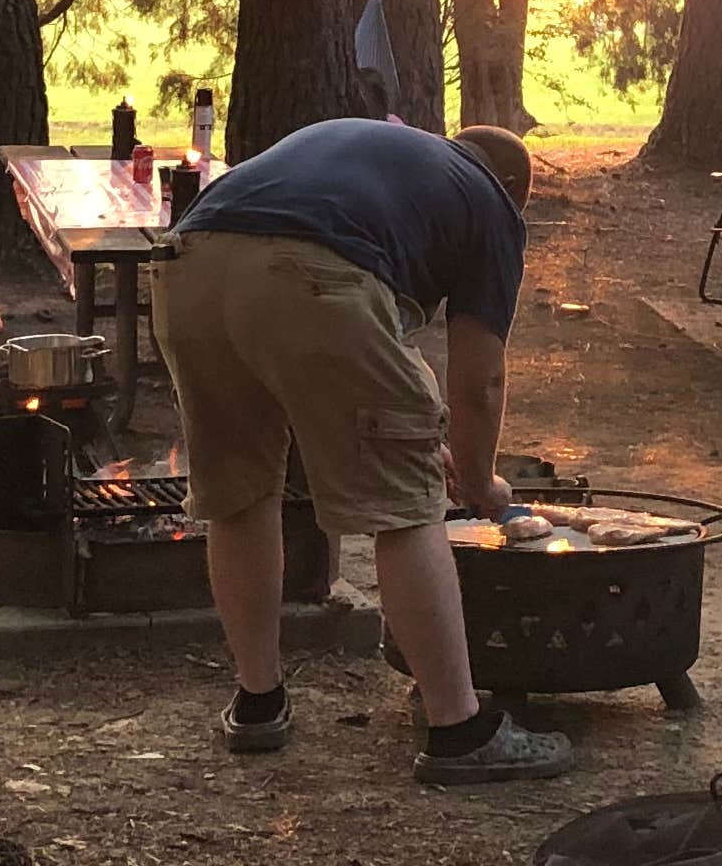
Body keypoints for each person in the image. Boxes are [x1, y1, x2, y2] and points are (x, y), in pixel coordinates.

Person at [150, 114, 568, 784]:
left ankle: (258, 702)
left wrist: (415, 428)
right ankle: (459, 730)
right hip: (308, 273)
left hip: (188, 263)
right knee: (407, 509)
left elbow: (380, 340)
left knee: (239, 491)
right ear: (515, 191)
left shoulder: (392, 158)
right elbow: (480, 379)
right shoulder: (492, 204)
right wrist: (483, 481)